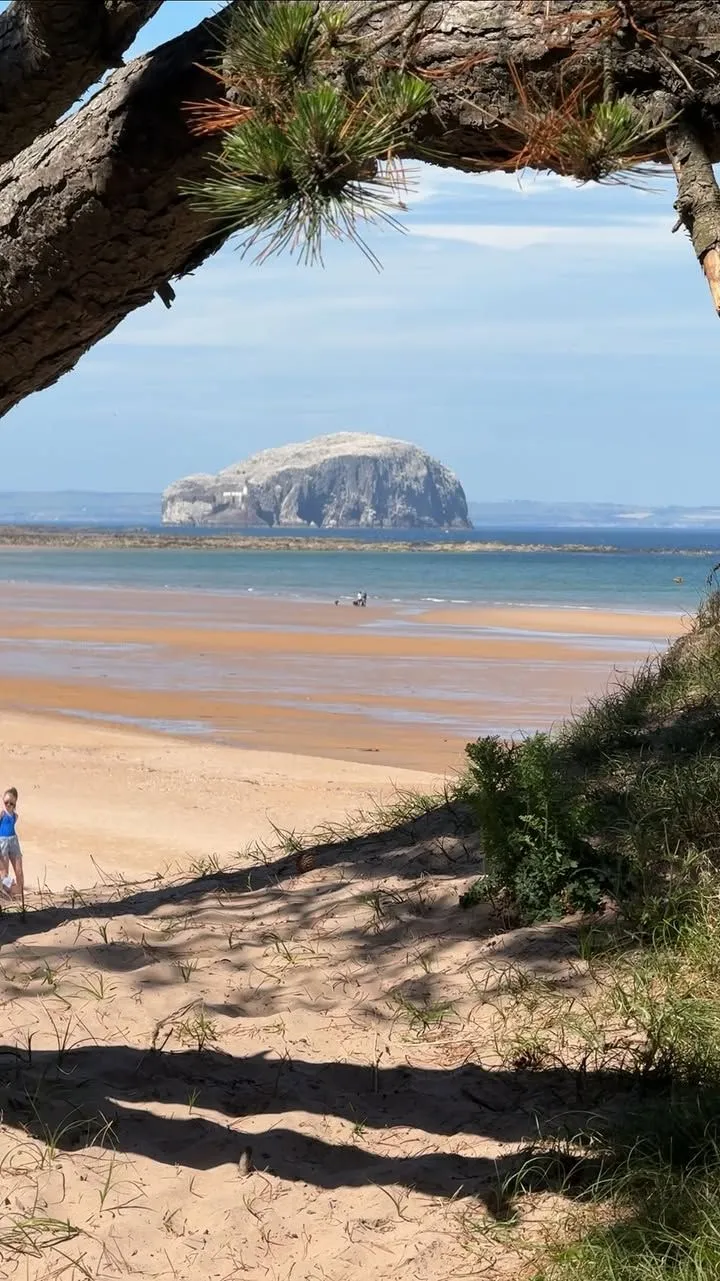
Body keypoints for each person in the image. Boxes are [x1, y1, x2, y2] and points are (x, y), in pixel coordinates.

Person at [0, 787, 24, 903]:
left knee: (19, 869)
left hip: (13, 841)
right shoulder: (2, 814)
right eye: (6, 802)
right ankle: (7, 895)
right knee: (4, 871)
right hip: (2, 842)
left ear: (15, 803)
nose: (8, 805)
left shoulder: (15, 816)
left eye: (11, 803)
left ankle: (20, 894)